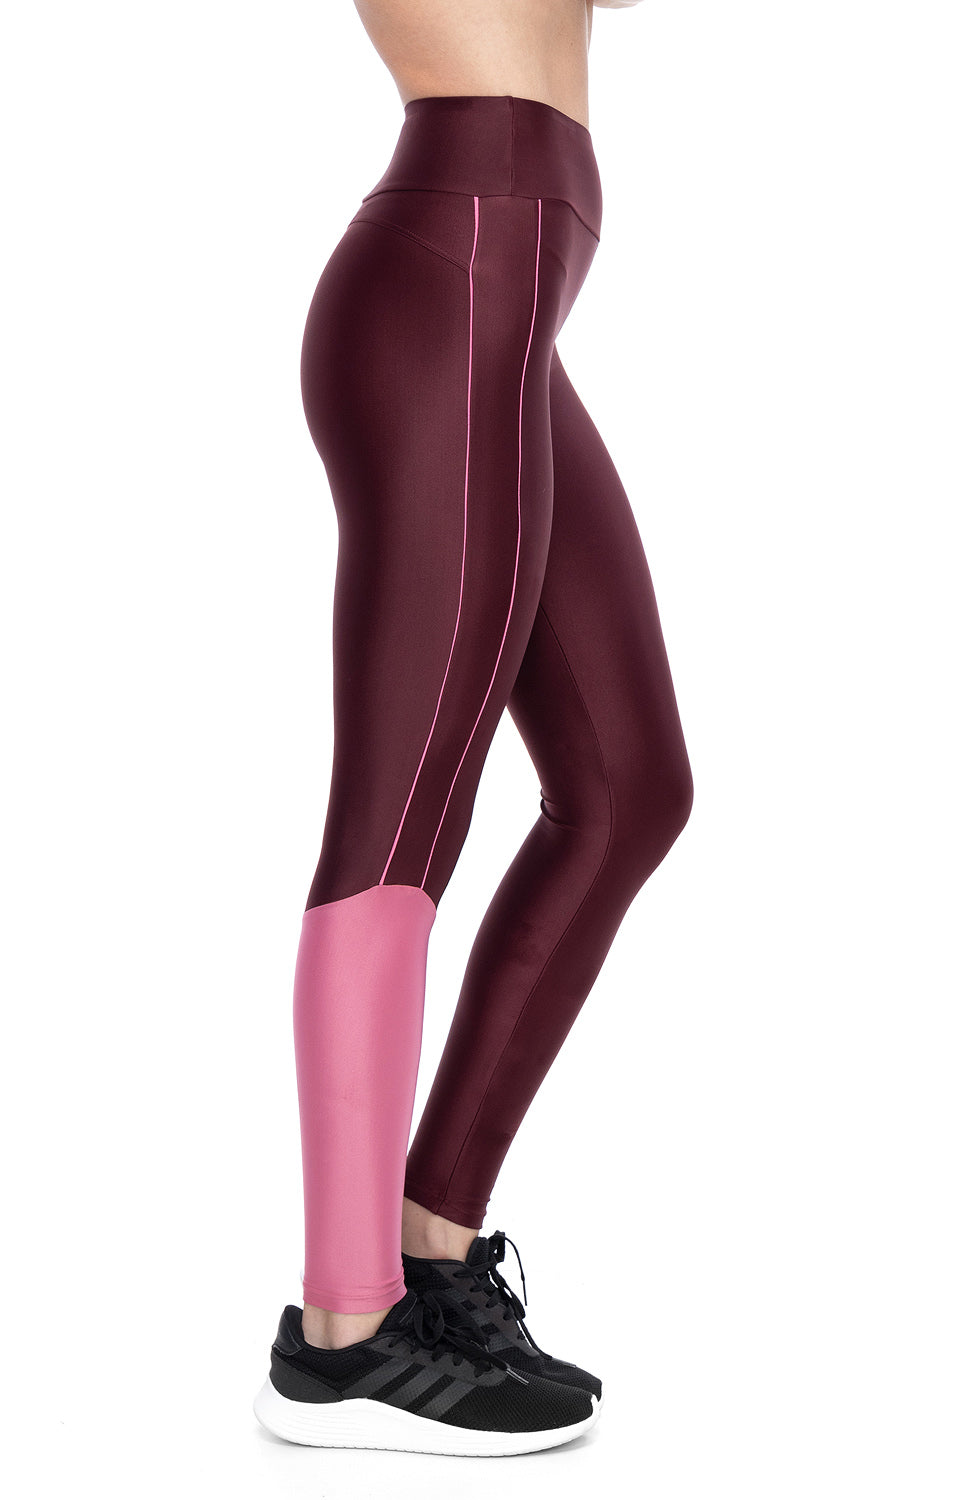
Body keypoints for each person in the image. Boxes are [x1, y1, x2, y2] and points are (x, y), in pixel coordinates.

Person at [253, 0, 692, 1457]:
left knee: (630, 790)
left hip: (503, 304)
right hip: (453, 272)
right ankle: (342, 1334)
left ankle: (430, 1251)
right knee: (398, 820)